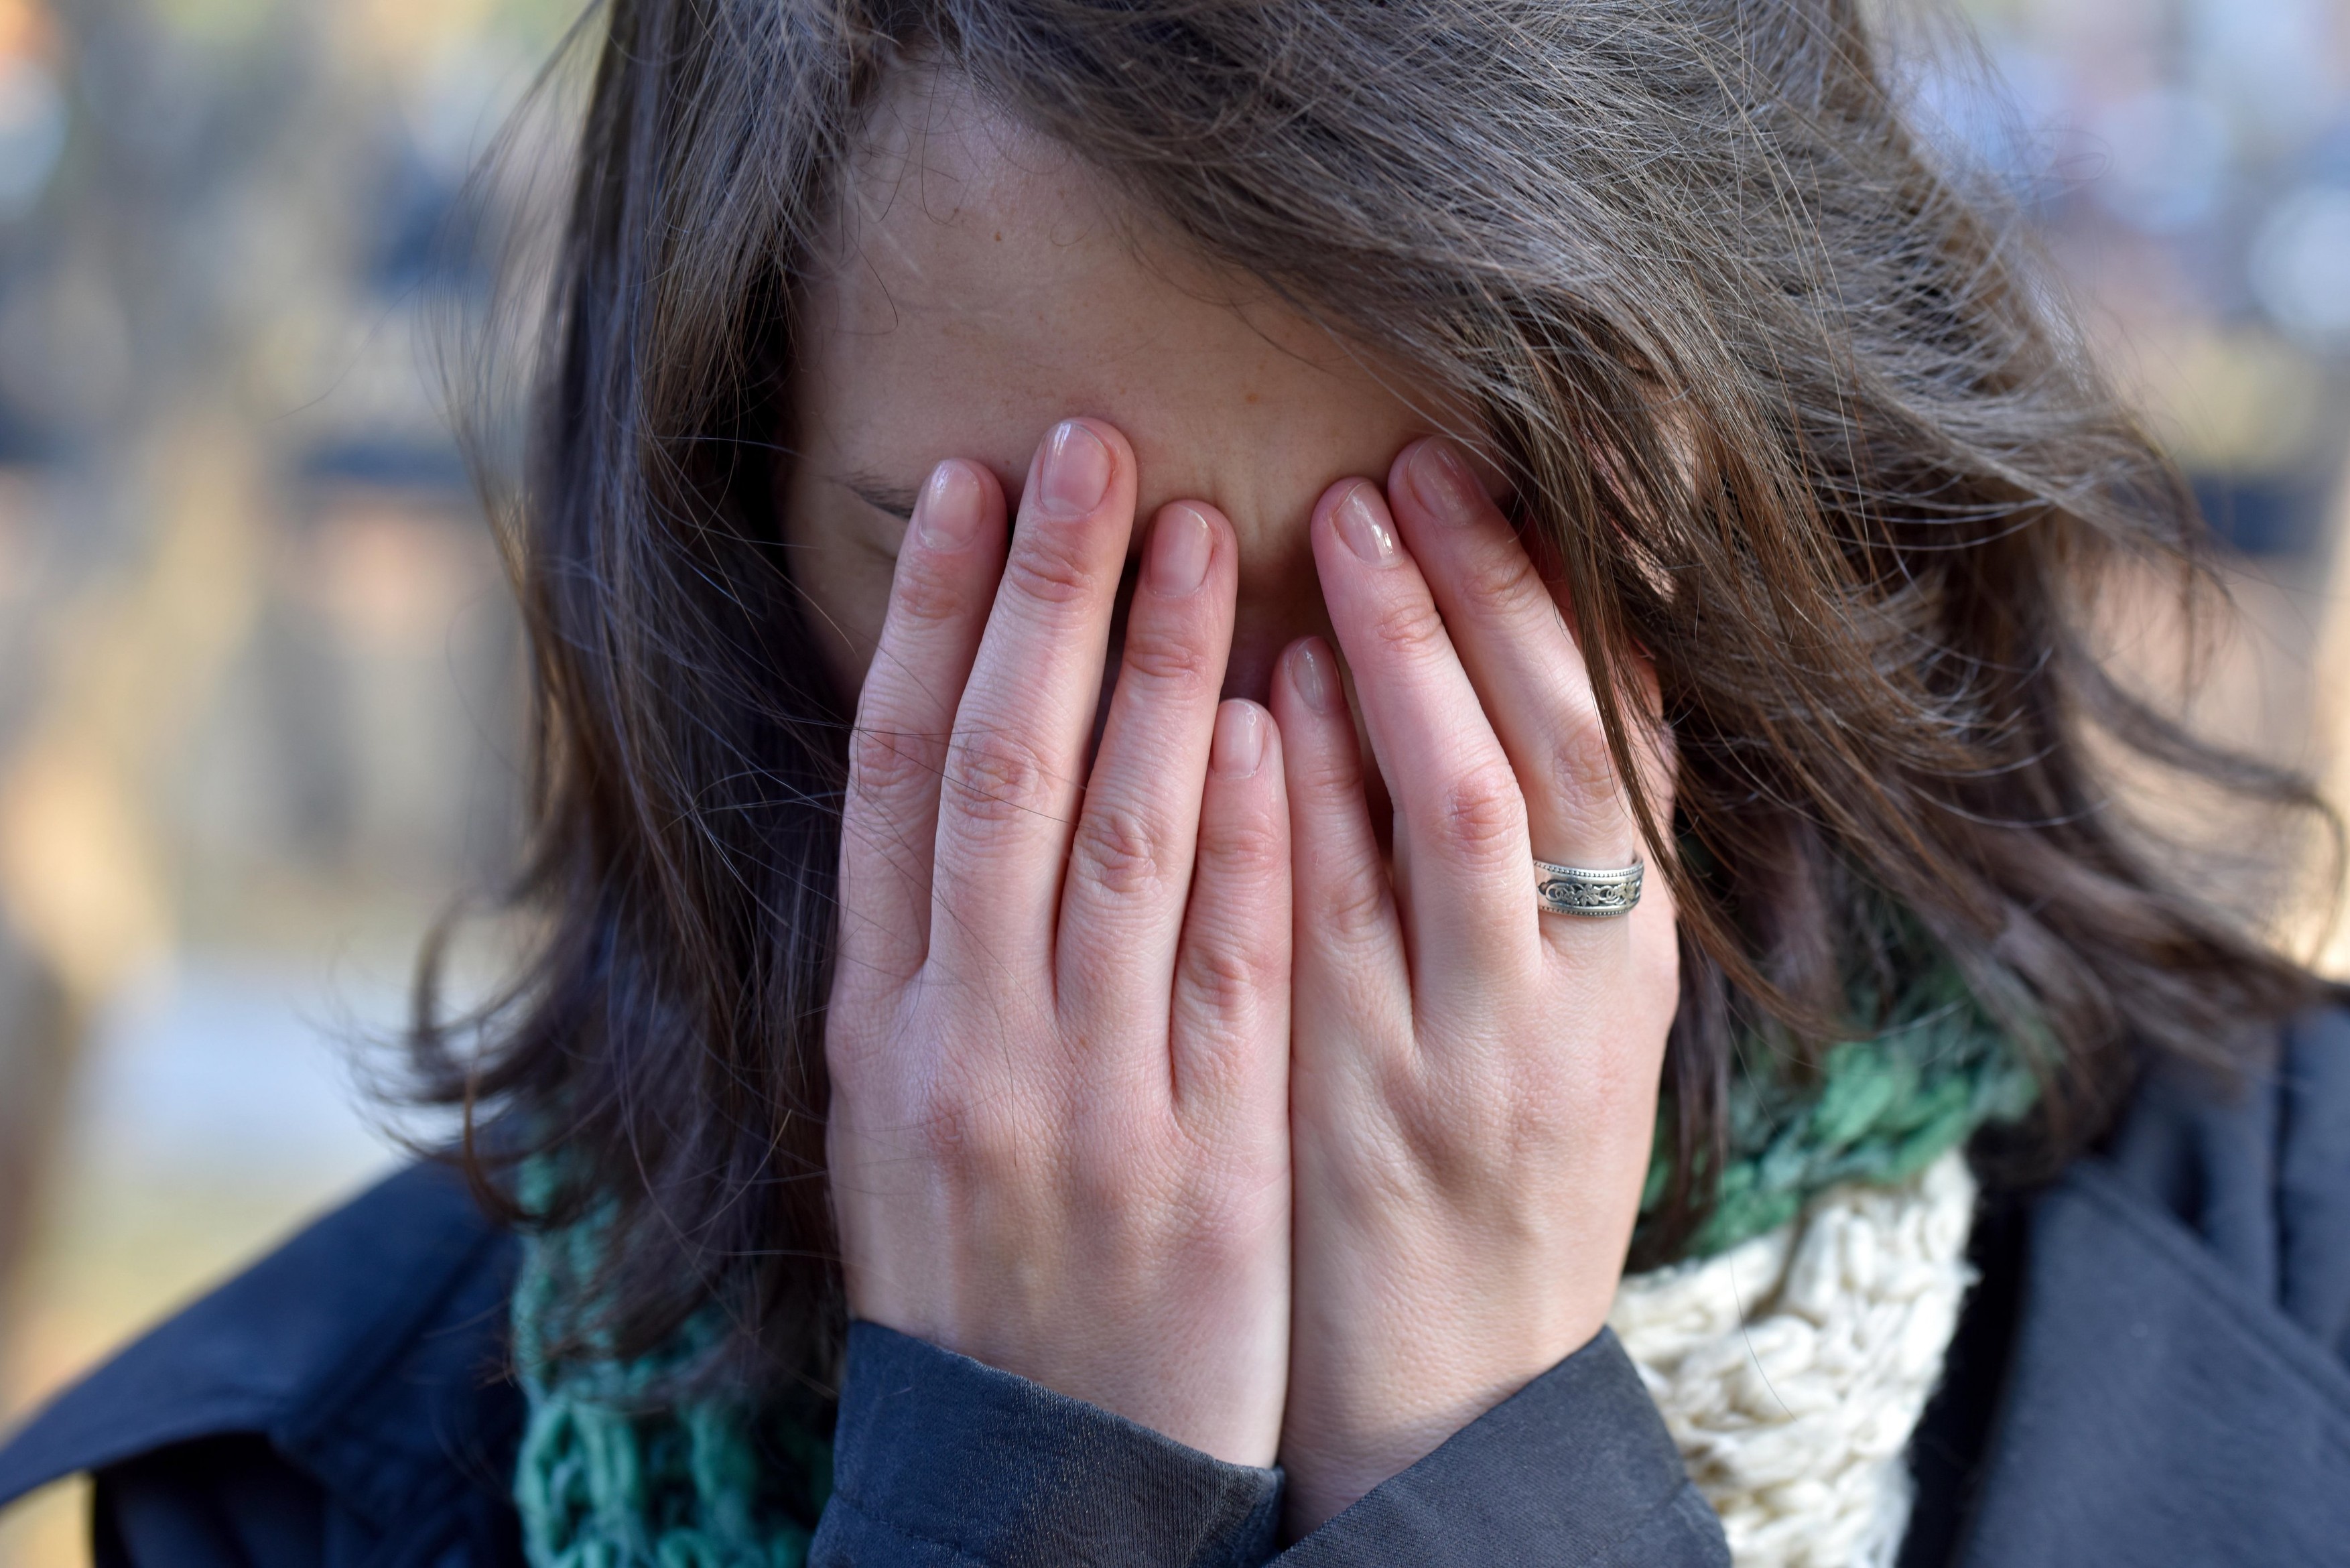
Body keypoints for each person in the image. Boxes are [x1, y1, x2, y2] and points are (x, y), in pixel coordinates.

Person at [5, 2, 2347, 1564]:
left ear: (1759, 504)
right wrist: (1024, 1481)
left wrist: (1476, 1449)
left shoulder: (2287, 1306)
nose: (1185, 819)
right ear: (722, 531)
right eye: (1034, 607)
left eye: (1433, 615)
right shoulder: (325, 1481)